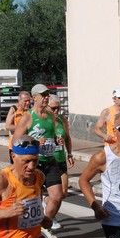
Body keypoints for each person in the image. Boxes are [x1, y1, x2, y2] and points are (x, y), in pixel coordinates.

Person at [13, 84, 63, 238]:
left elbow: (51, 135)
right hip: (33, 164)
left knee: (57, 196)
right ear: (34, 97)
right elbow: (16, 141)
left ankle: (44, 225)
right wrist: (34, 142)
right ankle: (30, 230)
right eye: (43, 95)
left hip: (50, 160)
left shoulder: (50, 115)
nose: (46, 97)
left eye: (48, 94)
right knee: (32, 199)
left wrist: (57, 140)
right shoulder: (28, 117)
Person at [49, 94, 74, 229]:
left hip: (60, 158)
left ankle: (47, 203)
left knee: (64, 192)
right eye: (53, 108)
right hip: (48, 161)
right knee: (55, 195)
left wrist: (69, 153)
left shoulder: (62, 120)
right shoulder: (44, 122)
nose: (56, 111)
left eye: (59, 108)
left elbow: (68, 138)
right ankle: (50, 217)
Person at [6, 91, 31, 163]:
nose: (28, 103)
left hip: (28, 145)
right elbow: (7, 126)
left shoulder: (30, 111)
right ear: (19, 101)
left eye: (29, 101)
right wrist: (22, 127)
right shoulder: (14, 109)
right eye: (25, 101)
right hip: (15, 145)